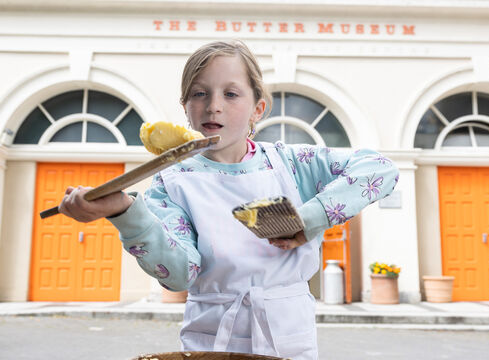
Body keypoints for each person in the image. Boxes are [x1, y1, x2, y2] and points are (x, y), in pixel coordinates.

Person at [59, 40, 399, 360]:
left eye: (231, 93)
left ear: (258, 109)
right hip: (210, 339)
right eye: (199, 93)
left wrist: (309, 218)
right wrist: (126, 213)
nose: (213, 105)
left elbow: (380, 170)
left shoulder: (294, 163)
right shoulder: (172, 182)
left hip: (288, 337)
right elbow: (178, 274)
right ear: (185, 108)